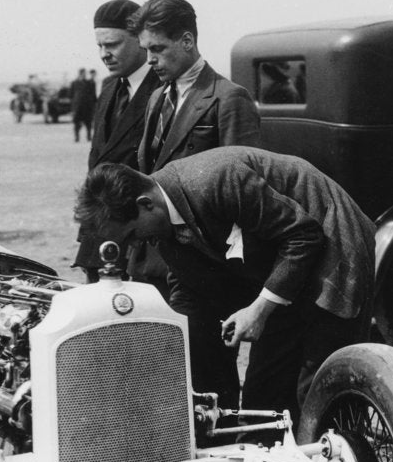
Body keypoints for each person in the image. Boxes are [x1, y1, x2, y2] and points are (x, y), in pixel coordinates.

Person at [74, 147, 375, 422]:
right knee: (263, 399)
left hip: (332, 246)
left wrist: (258, 310)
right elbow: (189, 288)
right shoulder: (161, 218)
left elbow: (304, 236)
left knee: (319, 388)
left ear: (146, 204)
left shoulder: (215, 180)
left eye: (131, 235)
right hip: (284, 266)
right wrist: (171, 339)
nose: (134, 246)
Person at [125, 0, 261, 298]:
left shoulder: (229, 98)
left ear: (187, 41)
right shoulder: (158, 98)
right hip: (152, 261)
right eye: (146, 50)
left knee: (200, 346)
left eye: (157, 49)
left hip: (201, 266)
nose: (149, 60)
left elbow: (244, 193)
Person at [72, 0, 160, 281]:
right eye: (99, 45)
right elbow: (97, 159)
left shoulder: (164, 87)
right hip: (99, 234)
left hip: (138, 237)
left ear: (140, 40)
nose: (103, 54)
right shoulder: (109, 87)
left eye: (112, 45)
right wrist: (87, 229)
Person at [70, 67, 95, 142]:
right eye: (83, 73)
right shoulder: (74, 83)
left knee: (88, 122)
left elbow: (92, 94)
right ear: (80, 74)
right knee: (77, 123)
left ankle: (89, 136)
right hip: (77, 106)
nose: (84, 75)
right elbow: (71, 94)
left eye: (85, 74)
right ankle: (76, 137)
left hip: (87, 106)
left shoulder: (89, 83)